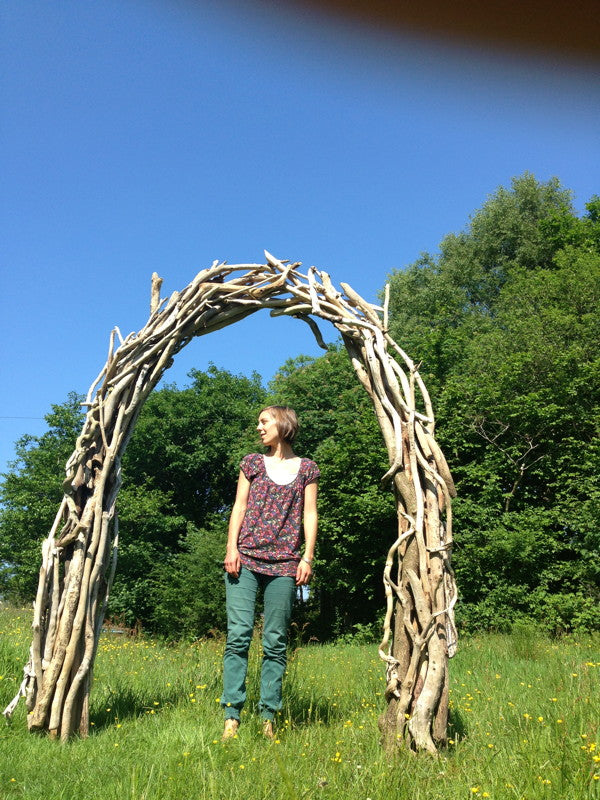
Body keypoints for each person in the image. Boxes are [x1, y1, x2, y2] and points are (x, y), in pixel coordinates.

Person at [221, 405, 319, 740]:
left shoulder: (307, 468)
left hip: (285, 565)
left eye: (264, 422)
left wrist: (307, 557)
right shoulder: (251, 463)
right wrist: (231, 548)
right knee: (238, 636)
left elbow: (309, 513)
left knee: (276, 642)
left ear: (283, 423)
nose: (258, 427)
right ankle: (231, 716)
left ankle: (268, 718)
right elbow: (240, 506)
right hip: (245, 560)